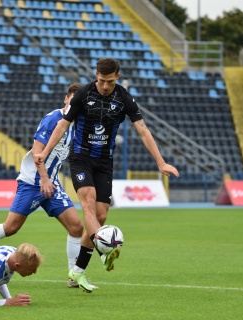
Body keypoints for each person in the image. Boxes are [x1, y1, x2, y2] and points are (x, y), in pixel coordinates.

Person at [34, 58, 180, 293]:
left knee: (100, 217)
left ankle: (78, 271)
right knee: (88, 205)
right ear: (96, 76)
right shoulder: (83, 94)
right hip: (81, 158)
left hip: (104, 162)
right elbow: (62, 125)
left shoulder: (124, 98)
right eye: (101, 81)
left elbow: (142, 130)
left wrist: (161, 162)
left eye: (109, 81)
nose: (104, 86)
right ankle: (105, 248)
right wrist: (44, 152)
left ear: (117, 77)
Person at [0, 84, 96, 289]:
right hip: (34, 182)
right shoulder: (53, 119)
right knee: (11, 227)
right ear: (66, 99)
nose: (76, 104)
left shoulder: (76, 125)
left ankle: (72, 275)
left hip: (52, 183)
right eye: (73, 99)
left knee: (76, 226)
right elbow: (36, 151)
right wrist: (44, 179)